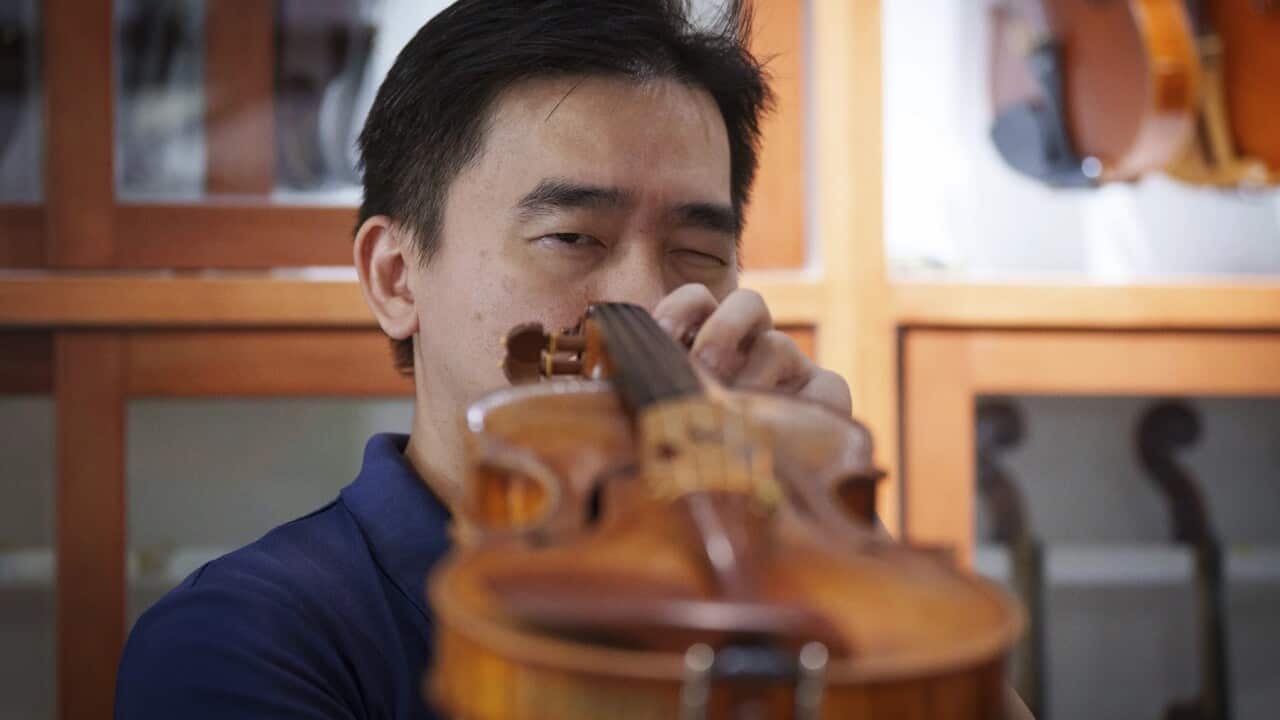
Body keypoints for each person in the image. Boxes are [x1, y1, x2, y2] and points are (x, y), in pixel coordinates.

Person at [116, 2, 1037, 718]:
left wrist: (848, 560)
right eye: (570, 236)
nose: (647, 299)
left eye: (699, 252)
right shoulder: (250, 637)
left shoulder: (784, 601)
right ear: (396, 277)